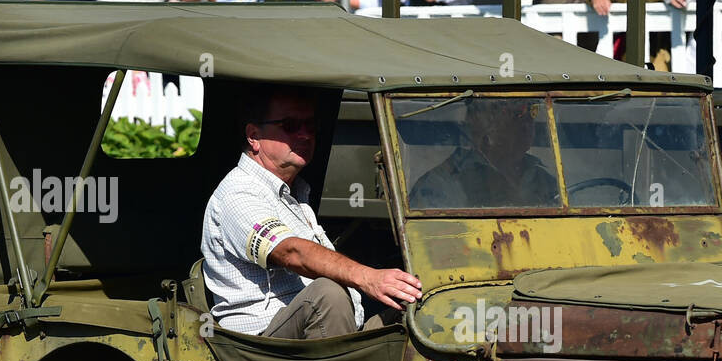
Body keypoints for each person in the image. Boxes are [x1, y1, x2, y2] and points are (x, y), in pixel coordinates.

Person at [203, 88, 422, 339]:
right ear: (254, 136)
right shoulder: (238, 193)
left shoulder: (294, 193)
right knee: (326, 294)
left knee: (418, 308)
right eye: (291, 125)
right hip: (265, 349)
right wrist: (367, 277)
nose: (305, 134)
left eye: (310, 124)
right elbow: (290, 252)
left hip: (325, 333)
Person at [407, 98, 558, 210]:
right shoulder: (443, 182)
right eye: (517, 114)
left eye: (533, 111)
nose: (528, 122)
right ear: (485, 125)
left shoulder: (543, 178)